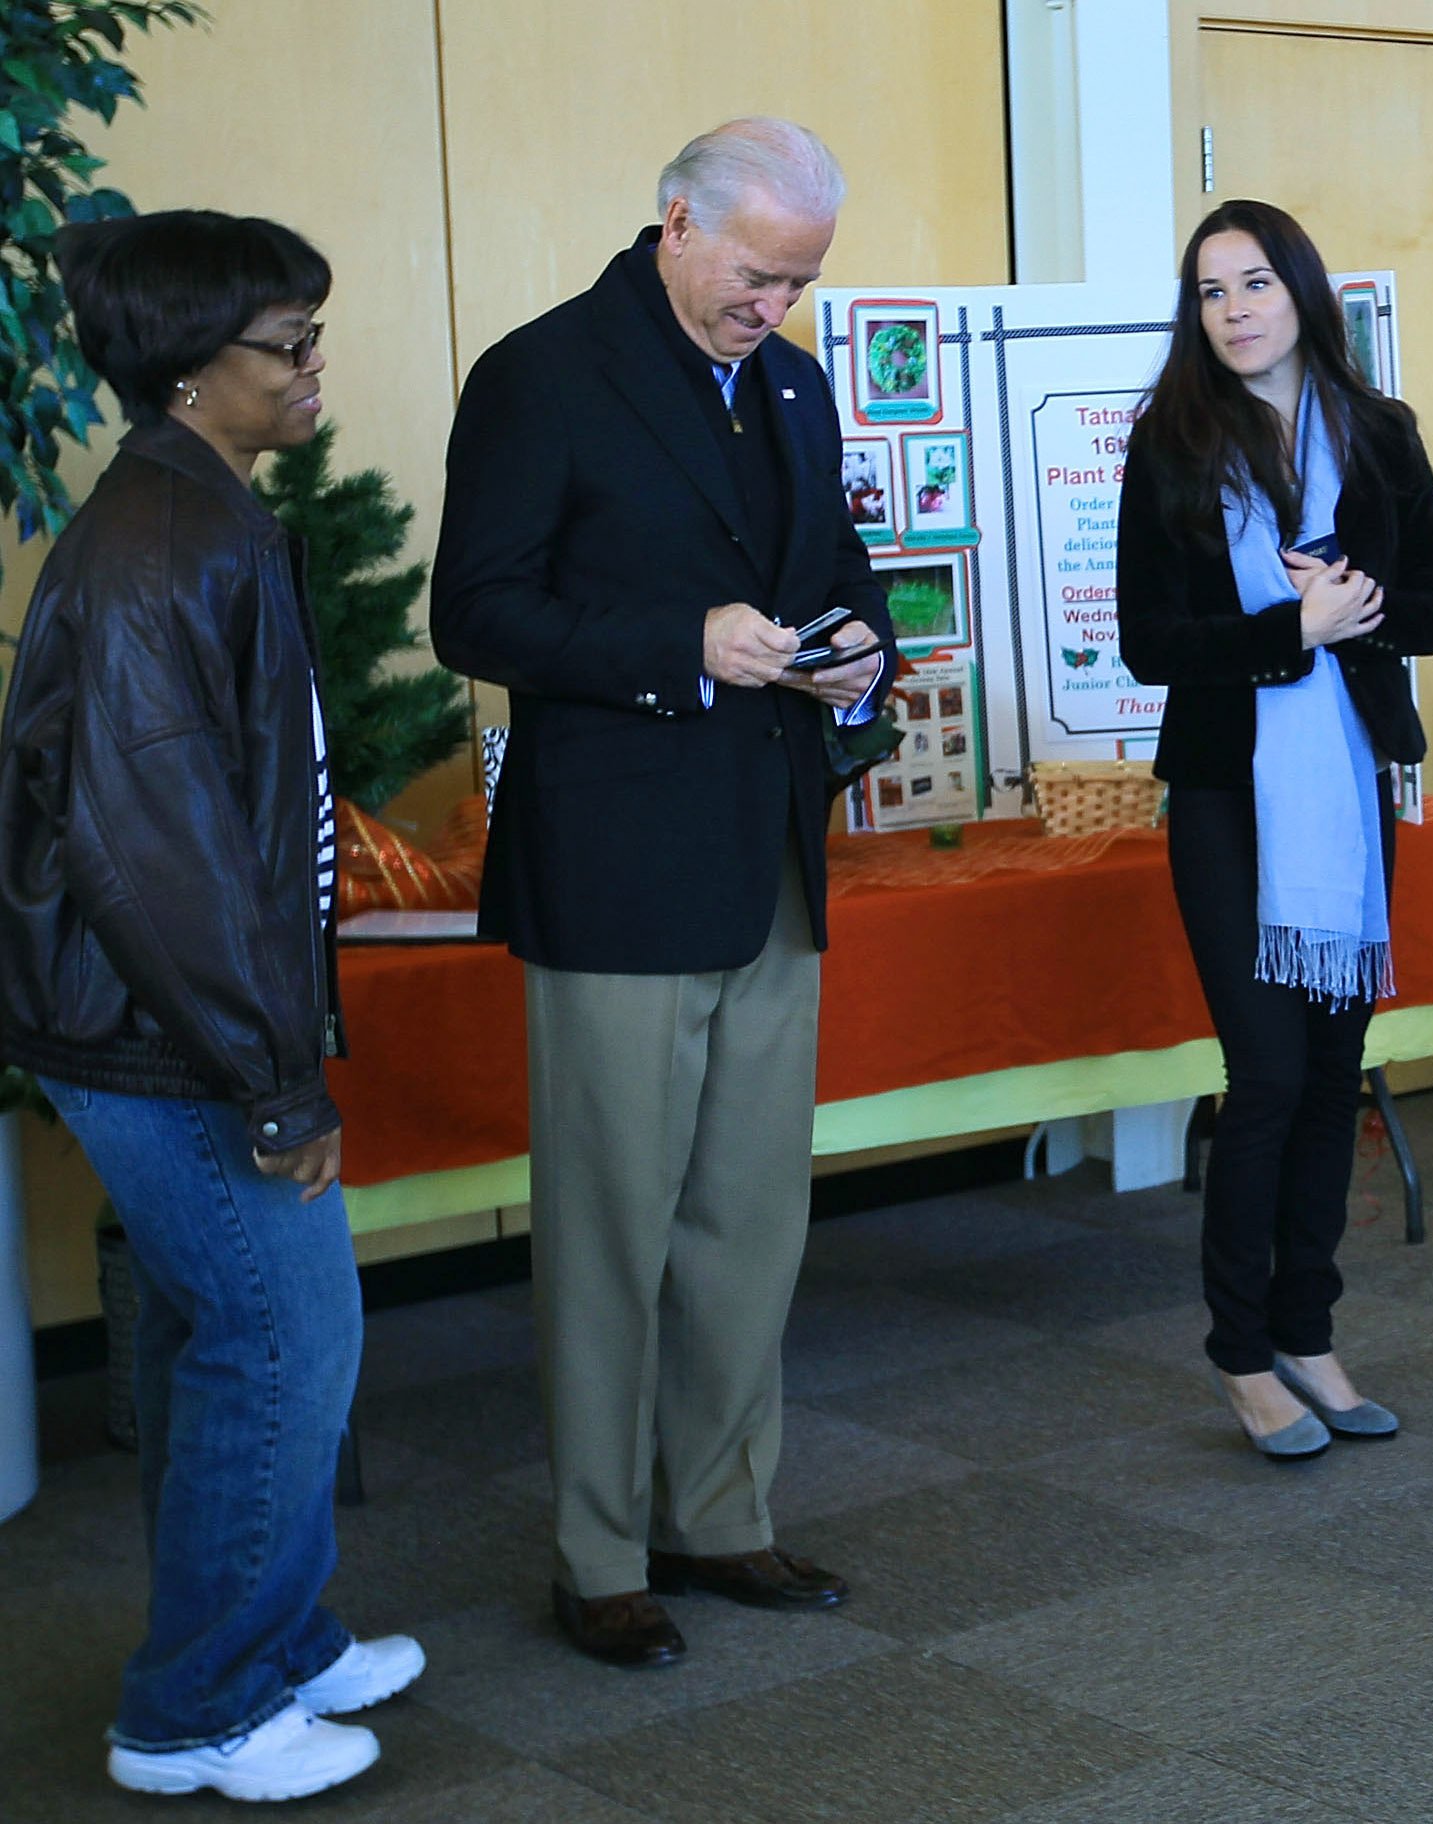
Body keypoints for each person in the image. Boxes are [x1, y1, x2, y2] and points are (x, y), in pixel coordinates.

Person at [431, 119, 886, 1668]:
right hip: (617, 863)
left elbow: (842, 564)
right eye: (758, 277)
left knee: (749, 1221)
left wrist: (862, 653)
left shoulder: (796, 382)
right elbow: (474, 612)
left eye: (800, 286)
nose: (777, 309)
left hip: (769, 850)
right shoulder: (543, 373)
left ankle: (722, 1518)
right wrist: (679, 646)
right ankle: (598, 1552)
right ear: (676, 223)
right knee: (615, 1228)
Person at [0, 212, 424, 1801]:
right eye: (286, 343)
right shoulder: (161, 551)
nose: (315, 366)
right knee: (281, 1339)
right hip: (165, 1036)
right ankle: (195, 1714)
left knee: (232, 1339)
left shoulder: (199, 515)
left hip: (170, 1024)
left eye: (314, 331)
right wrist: (271, 1079)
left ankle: (279, 1643)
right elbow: (158, 862)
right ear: (191, 374)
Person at [1118, 199, 1433, 1461]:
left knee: (1332, 1079)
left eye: (1256, 282)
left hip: (1349, 791)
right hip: (1224, 795)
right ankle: (1241, 1356)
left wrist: (1361, 611)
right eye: (1211, 292)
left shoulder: (1381, 436)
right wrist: (1285, 636)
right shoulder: (1169, 443)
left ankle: (1309, 1332)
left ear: (1303, 292)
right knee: (1263, 1078)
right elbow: (1151, 642)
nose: (1236, 310)